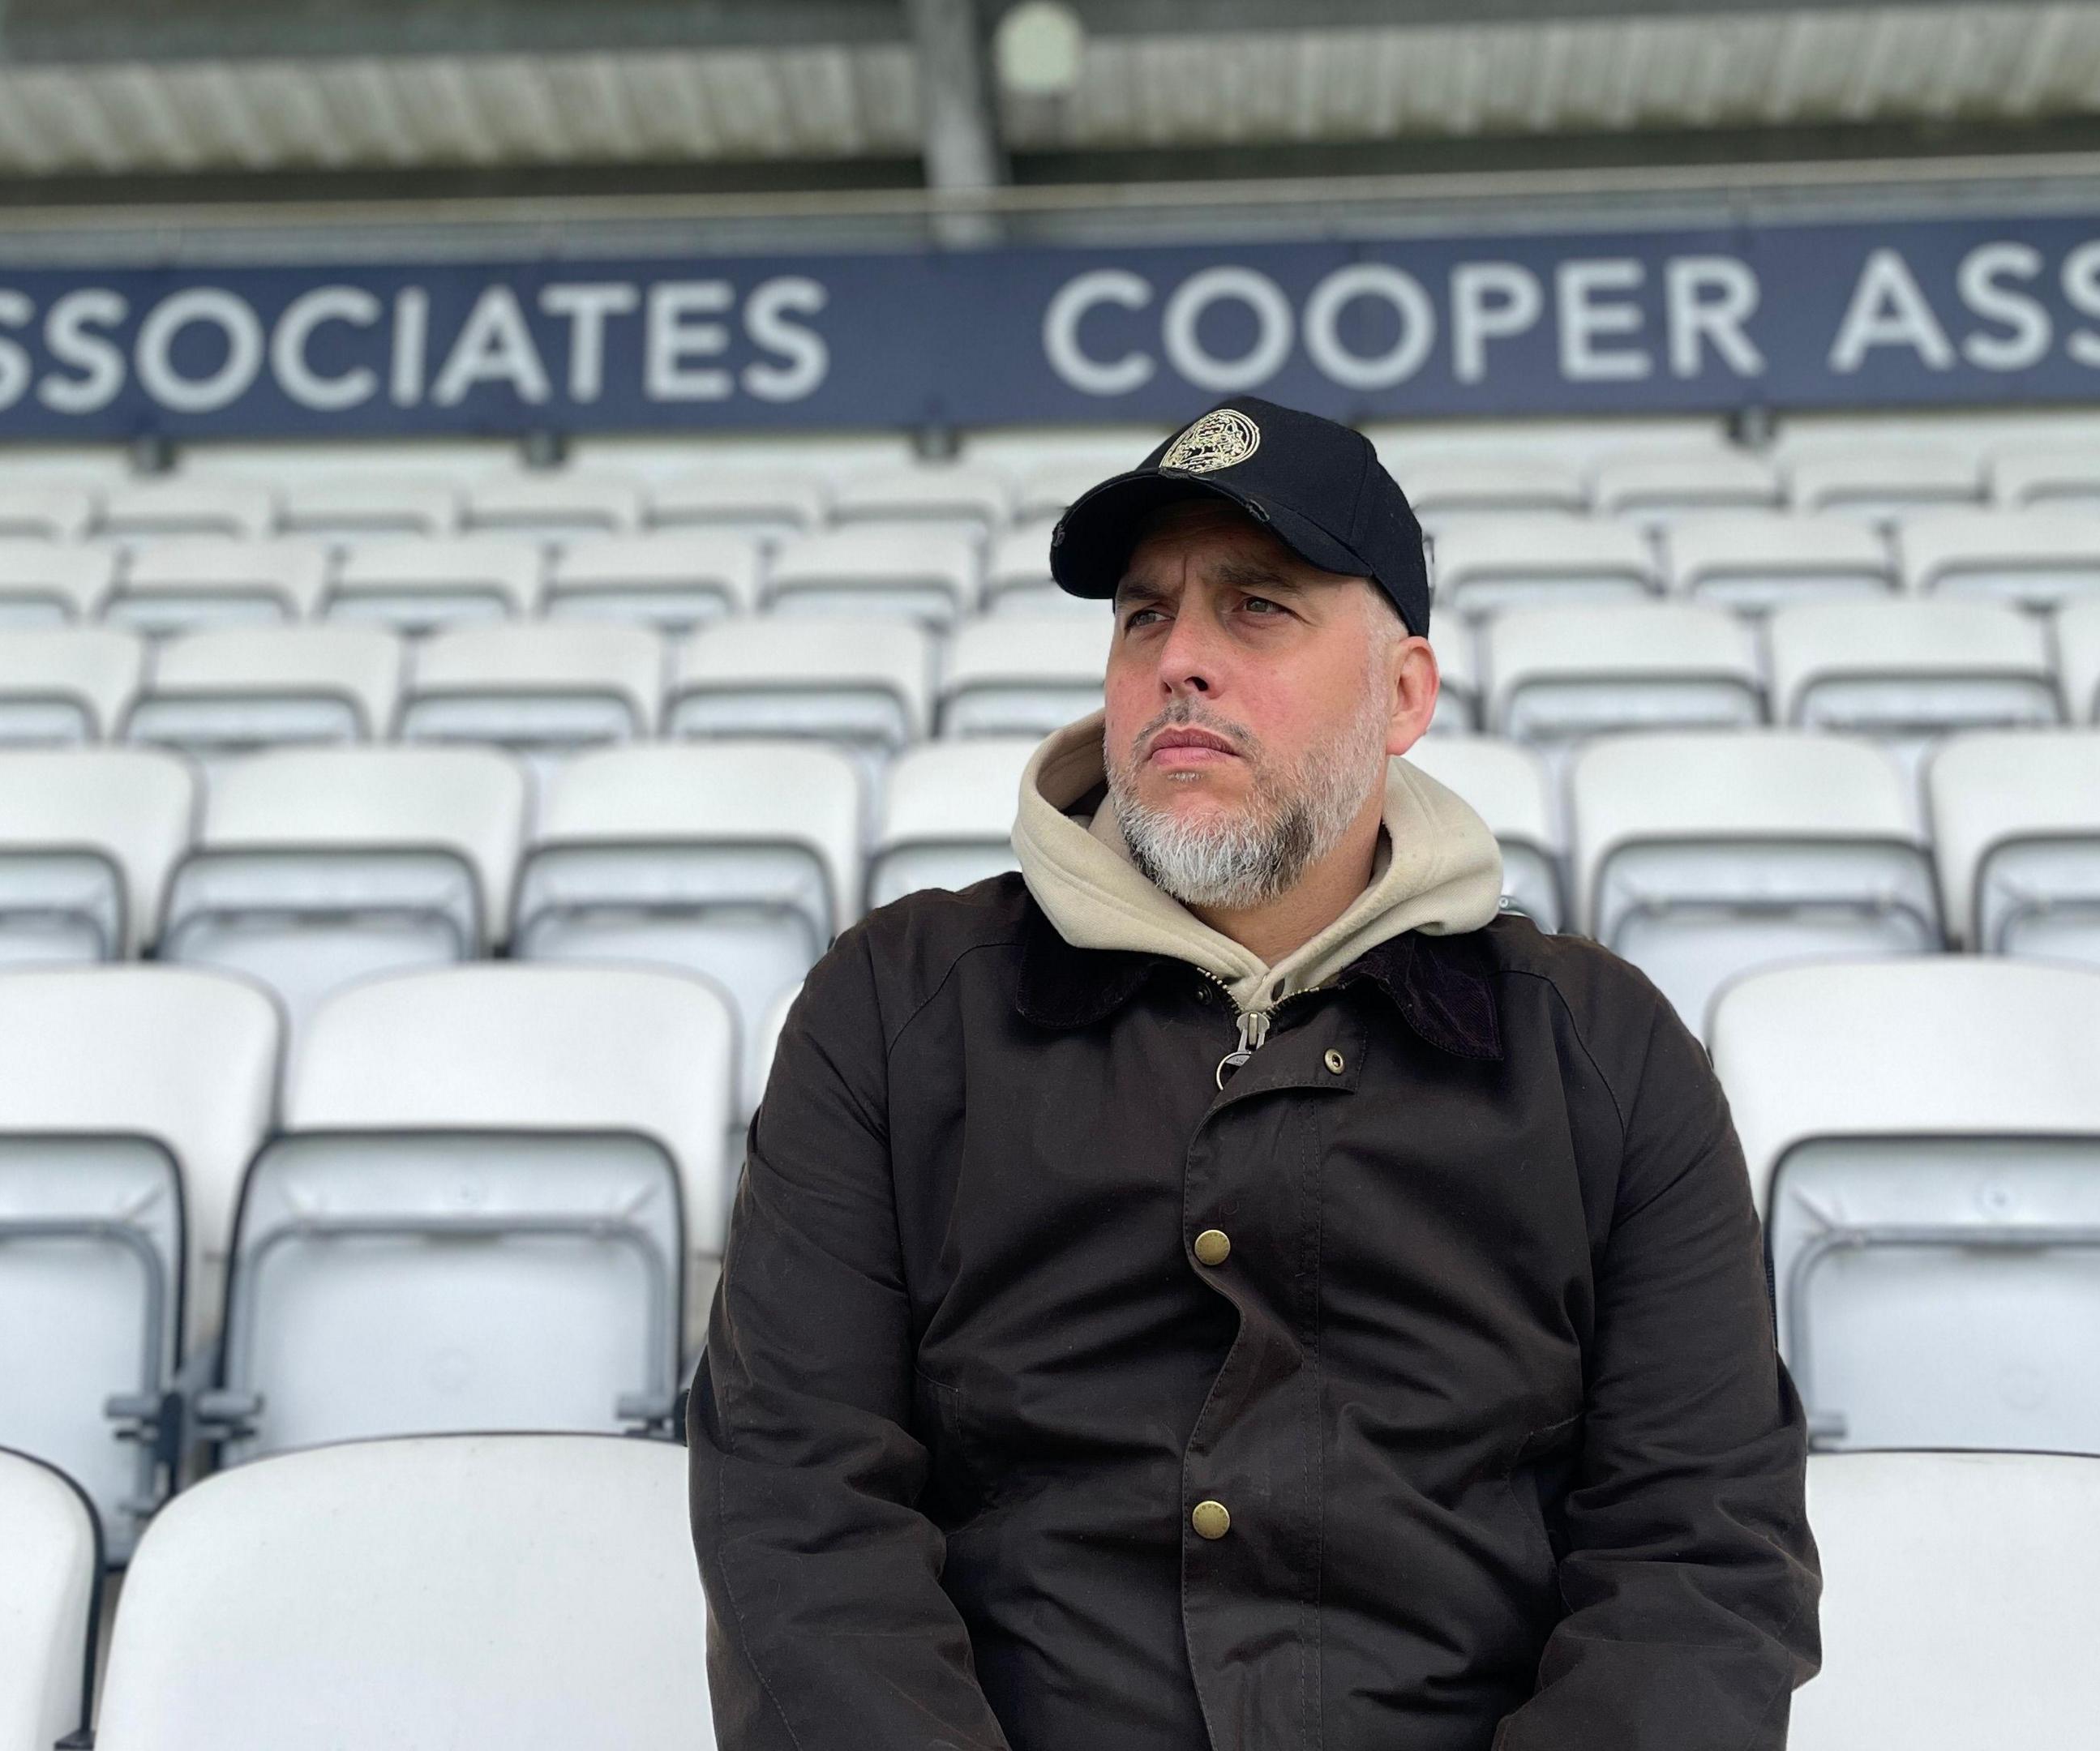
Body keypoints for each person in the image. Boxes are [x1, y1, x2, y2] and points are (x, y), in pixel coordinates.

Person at [689, 396, 1820, 1751]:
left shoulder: (1603, 1052)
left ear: (1403, 694)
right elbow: (799, 1513)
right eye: (1144, 616)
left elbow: (1701, 1556)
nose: (1182, 662)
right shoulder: (895, 1010)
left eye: (1258, 608)